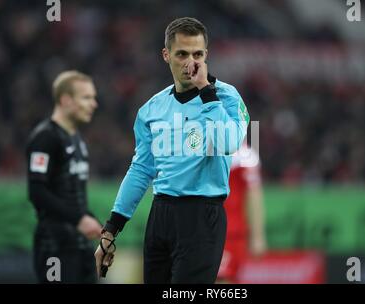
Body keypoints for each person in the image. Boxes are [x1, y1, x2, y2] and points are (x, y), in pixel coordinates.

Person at [95, 17, 250, 284]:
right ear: (166, 55)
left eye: (198, 54)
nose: (191, 62)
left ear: (207, 55)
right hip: (161, 215)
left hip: (202, 216)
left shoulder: (226, 97)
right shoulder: (152, 110)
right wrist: (111, 230)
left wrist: (206, 91)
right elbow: (141, 170)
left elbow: (227, 143)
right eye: (182, 54)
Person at [26, 70, 102, 283]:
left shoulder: (77, 140)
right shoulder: (45, 139)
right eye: (86, 97)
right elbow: (37, 191)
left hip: (79, 246)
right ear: (66, 100)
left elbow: (72, 194)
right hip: (54, 247)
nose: (93, 104)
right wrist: (80, 219)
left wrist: (93, 221)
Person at [217, 143, 267, 283]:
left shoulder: (245, 155)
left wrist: (258, 235)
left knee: (223, 279)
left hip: (230, 233)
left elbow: (254, 196)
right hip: (209, 231)